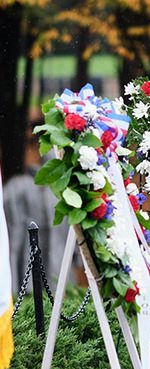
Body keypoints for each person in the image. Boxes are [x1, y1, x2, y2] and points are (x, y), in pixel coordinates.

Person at [6, 118, 72, 291]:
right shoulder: (19, 186)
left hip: (58, 257)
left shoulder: (65, 188)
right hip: (29, 250)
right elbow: (13, 235)